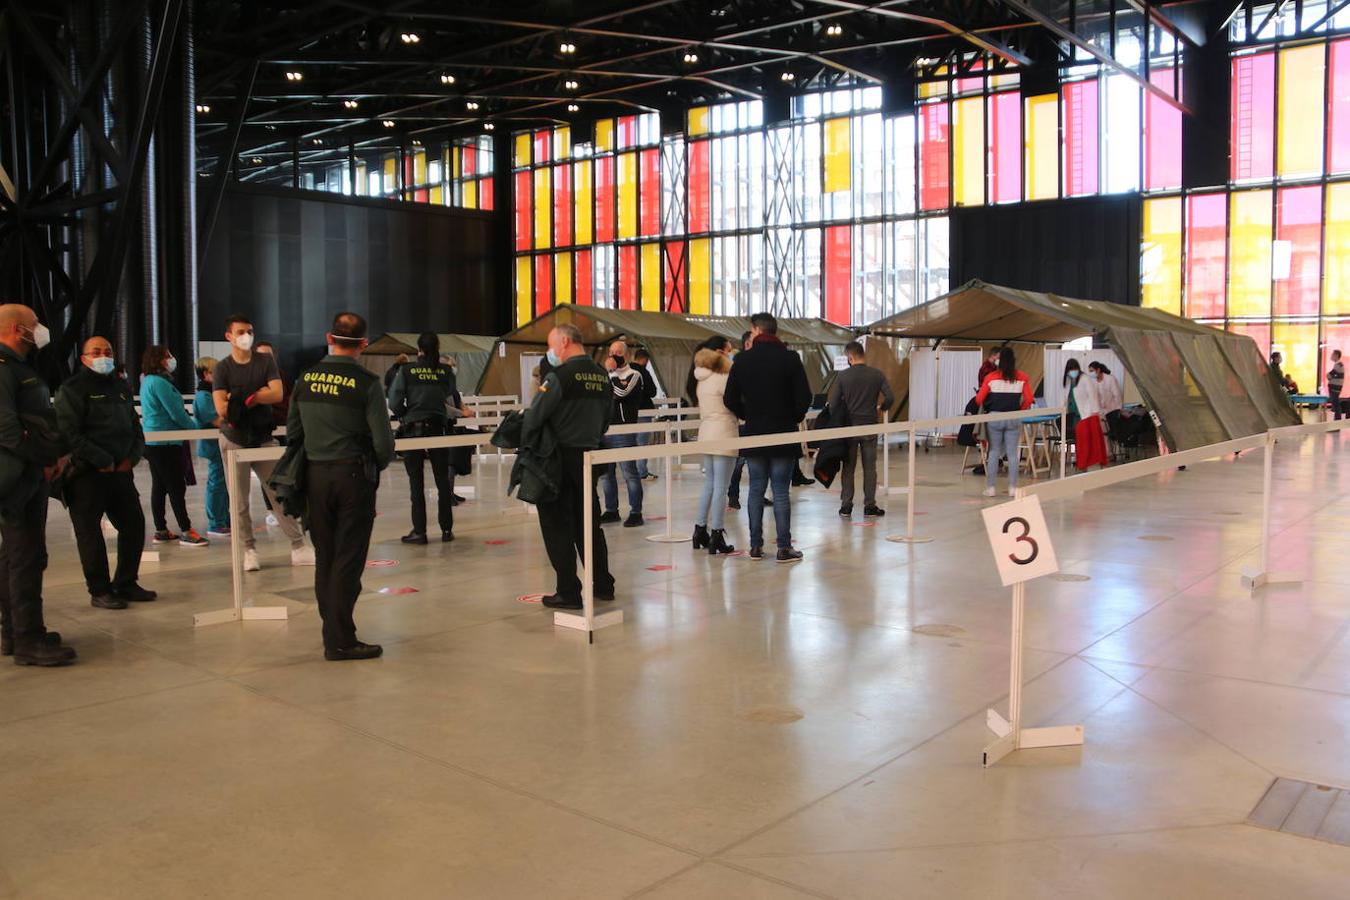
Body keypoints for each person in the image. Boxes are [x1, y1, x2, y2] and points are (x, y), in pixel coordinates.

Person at [286, 312, 394, 660]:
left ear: (328, 337)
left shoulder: (305, 379)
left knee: (326, 558)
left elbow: (293, 433)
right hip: (353, 478)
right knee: (348, 560)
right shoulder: (366, 382)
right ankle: (340, 640)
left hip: (315, 477)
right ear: (363, 344)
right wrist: (370, 466)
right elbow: (384, 445)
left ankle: (332, 629)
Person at [54, 336, 155, 610]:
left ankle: (126, 582)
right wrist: (102, 459)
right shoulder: (72, 389)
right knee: (90, 534)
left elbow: (135, 427)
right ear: (84, 358)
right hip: (87, 474)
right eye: (96, 352)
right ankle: (99, 590)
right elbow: (68, 433)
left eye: (107, 351)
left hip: (121, 472)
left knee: (134, 525)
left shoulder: (121, 386)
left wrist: (131, 458)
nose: (102, 356)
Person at [0, 304, 74, 665]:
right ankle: (27, 639)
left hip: (28, 474)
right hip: (19, 477)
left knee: (17, 557)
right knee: (26, 557)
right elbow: (8, 429)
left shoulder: (17, 367)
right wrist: (44, 459)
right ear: (17, 329)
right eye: (34, 325)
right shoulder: (3, 368)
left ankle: (17, 631)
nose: (39, 330)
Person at [213, 314, 314, 572]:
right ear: (229, 336)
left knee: (280, 492)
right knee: (239, 501)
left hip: (263, 438)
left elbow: (278, 393)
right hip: (234, 440)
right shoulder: (222, 368)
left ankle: (299, 546)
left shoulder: (265, 362)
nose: (246, 335)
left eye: (249, 330)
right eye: (240, 331)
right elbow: (222, 408)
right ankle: (248, 549)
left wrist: (247, 397)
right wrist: (255, 395)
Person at [526, 324, 616, 610]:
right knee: (588, 523)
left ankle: (568, 590)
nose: (550, 351)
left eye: (551, 345)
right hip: (589, 458)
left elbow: (535, 417)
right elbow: (606, 421)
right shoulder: (603, 376)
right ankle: (603, 584)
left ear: (564, 341)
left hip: (557, 461)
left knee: (556, 524)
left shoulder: (559, 376)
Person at [723, 312, 812, 562]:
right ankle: (784, 547)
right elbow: (804, 397)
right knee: (781, 492)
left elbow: (729, 398)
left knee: (755, 489)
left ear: (756, 331)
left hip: (754, 434)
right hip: (783, 433)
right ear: (775, 331)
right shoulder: (790, 359)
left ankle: (755, 546)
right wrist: (792, 417)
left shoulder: (742, 360)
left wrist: (748, 415)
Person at [388, 332, 474, 544]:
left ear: (420, 349)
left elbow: (394, 401)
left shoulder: (407, 371)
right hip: (439, 430)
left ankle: (420, 531)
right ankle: (446, 530)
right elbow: (450, 394)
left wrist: (405, 413)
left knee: (416, 483)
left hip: (413, 431)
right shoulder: (445, 371)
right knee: (443, 482)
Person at [138, 345, 208, 547]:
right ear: (158, 359)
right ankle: (186, 530)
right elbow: (176, 413)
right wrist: (195, 428)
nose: (171, 359)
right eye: (167, 356)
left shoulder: (148, 381)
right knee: (176, 487)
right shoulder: (159, 383)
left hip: (155, 442)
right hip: (165, 443)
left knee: (160, 486)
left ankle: (161, 530)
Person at [829, 340, 895, 518]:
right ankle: (870, 505)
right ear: (862, 355)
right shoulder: (877, 374)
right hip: (869, 426)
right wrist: (882, 409)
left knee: (848, 467)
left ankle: (846, 505)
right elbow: (890, 397)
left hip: (849, 428)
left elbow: (834, 404)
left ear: (850, 357)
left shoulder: (843, 377)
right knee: (870, 468)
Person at [691, 342, 738, 555]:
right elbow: (734, 402)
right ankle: (717, 533)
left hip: (706, 432)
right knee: (722, 487)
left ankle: (699, 530)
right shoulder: (723, 379)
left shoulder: (701, 380)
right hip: (724, 433)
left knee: (709, 484)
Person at [597, 339, 646, 527]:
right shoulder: (605, 375)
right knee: (606, 474)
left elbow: (621, 393)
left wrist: (611, 373)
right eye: (610, 352)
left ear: (626, 355)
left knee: (629, 473)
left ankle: (636, 511)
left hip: (624, 430)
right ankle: (611, 510)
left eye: (617, 352)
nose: (613, 356)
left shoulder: (634, 375)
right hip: (605, 430)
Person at [974, 347, 1034, 498]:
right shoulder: (1022, 377)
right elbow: (1028, 399)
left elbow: (979, 399)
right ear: (1013, 361)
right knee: (1012, 453)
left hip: (994, 418)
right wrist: (1020, 409)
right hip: (1013, 418)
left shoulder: (991, 377)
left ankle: (991, 488)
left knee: (993, 452)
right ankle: (1013, 488)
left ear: (999, 361)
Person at [193, 358, 230, 536]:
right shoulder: (204, 396)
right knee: (217, 483)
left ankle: (223, 517)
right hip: (213, 445)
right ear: (206, 374)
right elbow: (217, 420)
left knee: (223, 483)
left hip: (220, 444)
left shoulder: (213, 393)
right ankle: (216, 522)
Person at [1065, 359, 1108, 471]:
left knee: (1090, 441)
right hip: (1078, 415)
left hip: (1088, 415)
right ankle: (1082, 464)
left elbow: (1093, 395)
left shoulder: (1085, 379)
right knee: (1082, 442)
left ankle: (1090, 463)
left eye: (1073, 369)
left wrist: (1095, 412)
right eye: (1070, 370)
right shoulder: (1072, 381)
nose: (1072, 372)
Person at [629, 347, 659, 481]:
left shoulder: (625, 370)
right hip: (643, 411)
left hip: (628, 412)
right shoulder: (644, 372)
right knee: (642, 442)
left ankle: (629, 472)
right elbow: (653, 391)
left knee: (629, 442)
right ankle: (641, 472)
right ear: (645, 360)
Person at [1089, 361, 1124, 439]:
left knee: (1108, 431)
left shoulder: (1110, 379)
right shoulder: (1093, 381)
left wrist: (1118, 409)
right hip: (1101, 410)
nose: (1091, 373)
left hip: (1112, 409)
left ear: (1098, 370)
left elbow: (1117, 395)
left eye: (1092, 371)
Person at [1328, 350, 1345, 420]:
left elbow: (1329, 376)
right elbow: (1331, 375)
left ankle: (1337, 422)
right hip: (1334, 387)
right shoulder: (1337, 364)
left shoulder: (1339, 364)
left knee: (1336, 405)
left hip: (1335, 388)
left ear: (1336, 355)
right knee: (1335, 404)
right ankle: (1337, 422)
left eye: (1332, 354)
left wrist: (1330, 376)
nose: (1331, 356)